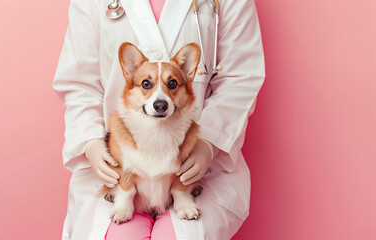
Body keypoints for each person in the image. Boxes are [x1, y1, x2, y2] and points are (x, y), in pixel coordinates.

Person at [52, 0, 265, 239]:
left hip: (199, 171)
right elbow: (79, 82)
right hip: (117, 166)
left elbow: (240, 78)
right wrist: (90, 142)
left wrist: (210, 143)